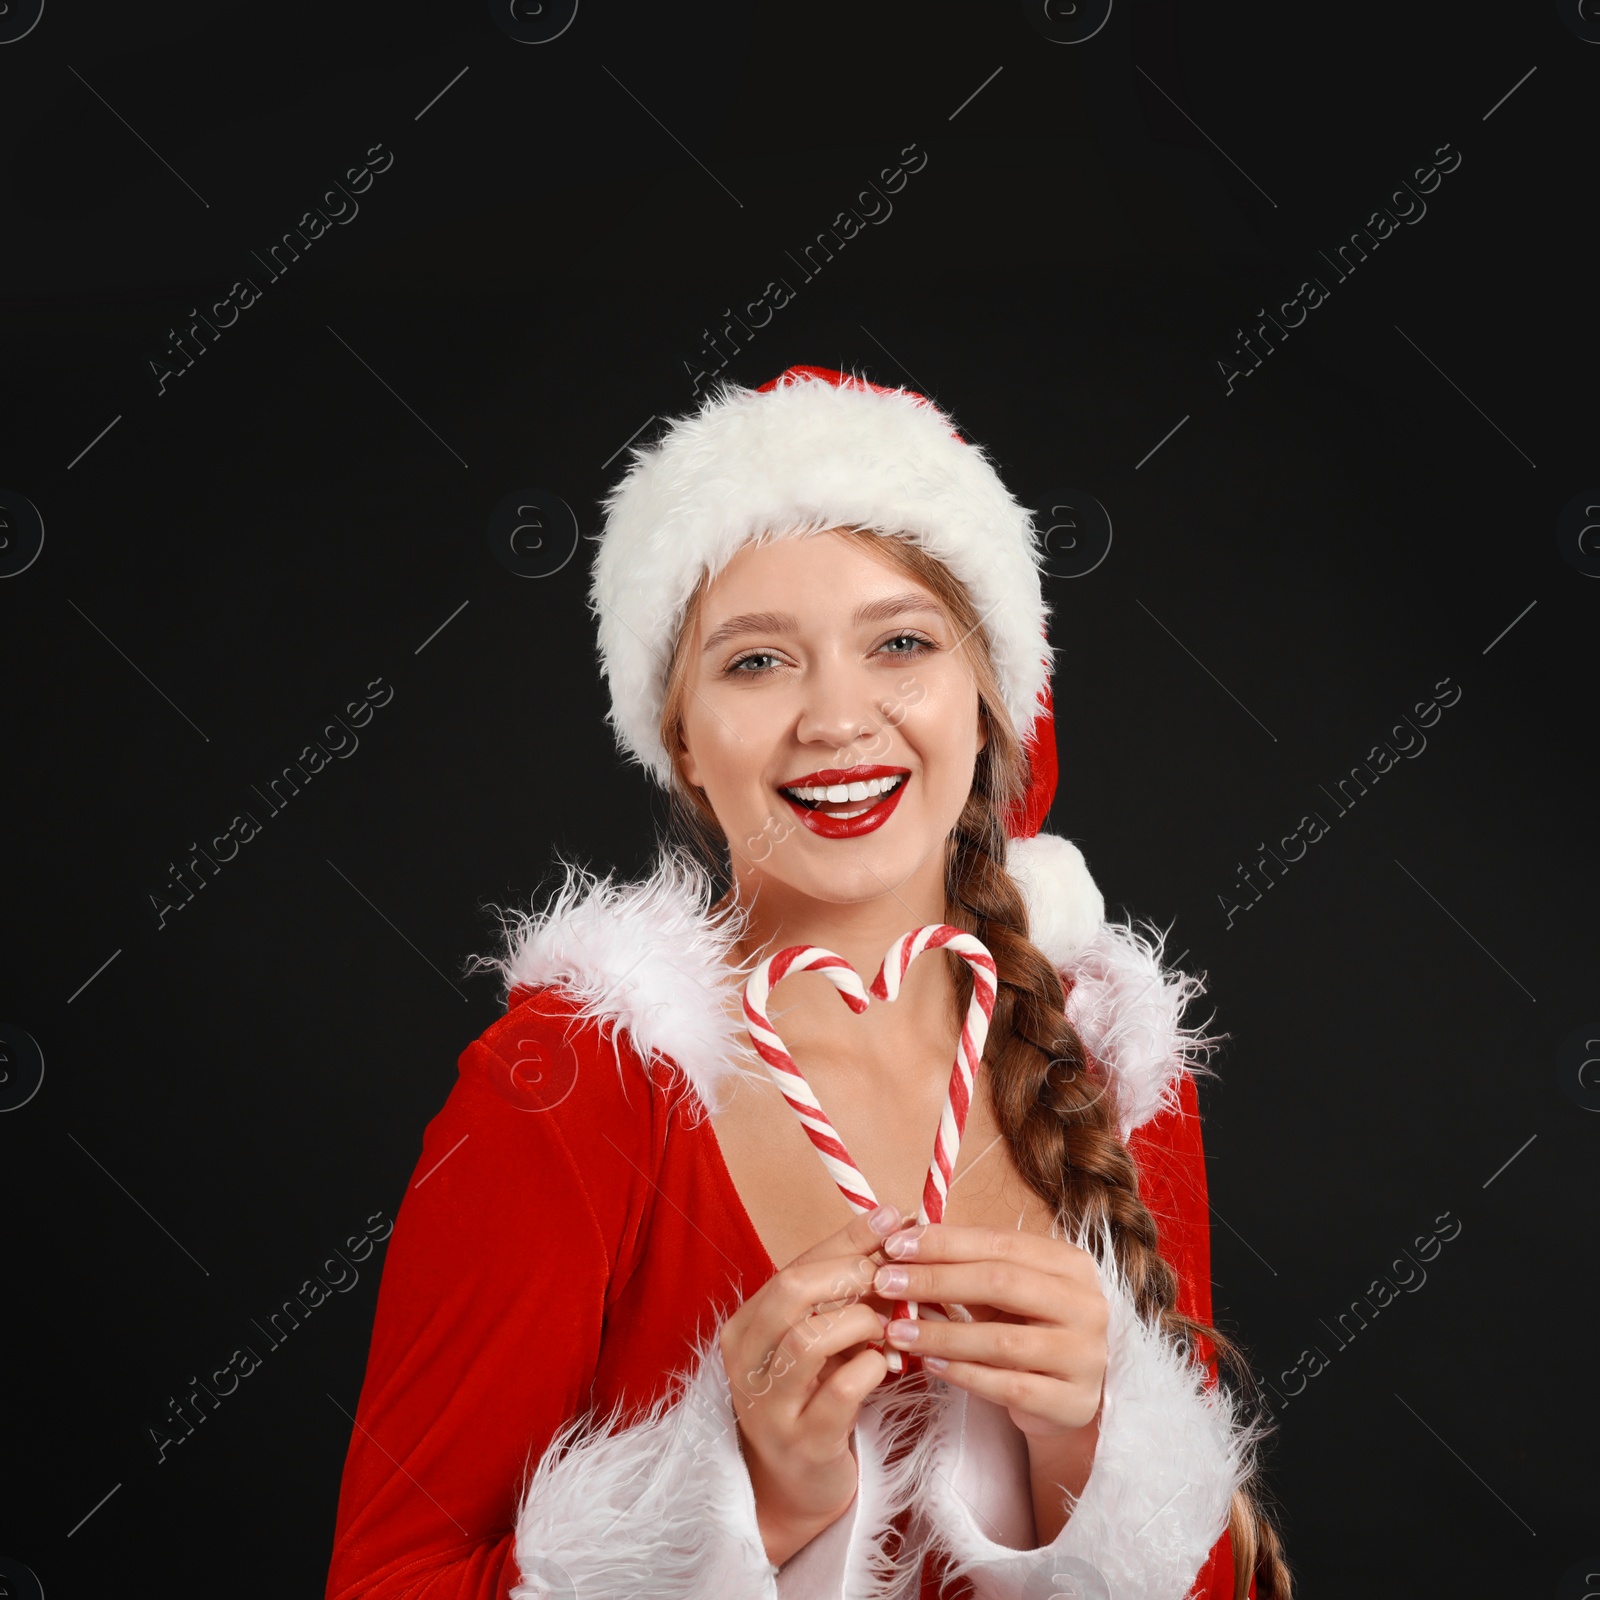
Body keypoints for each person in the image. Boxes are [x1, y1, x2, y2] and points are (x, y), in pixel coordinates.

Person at [324, 365, 1291, 1599]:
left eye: (899, 642)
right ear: (678, 736)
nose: (837, 717)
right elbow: (384, 1580)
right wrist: (745, 1509)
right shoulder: (565, 1089)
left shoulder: (1107, 1066)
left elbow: (1204, 1578)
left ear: (989, 692)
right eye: (755, 661)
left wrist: (1087, 1448)